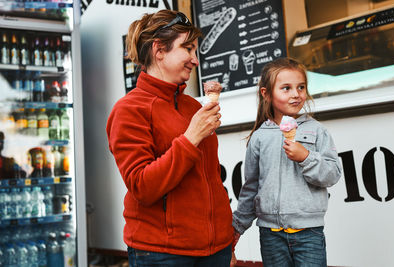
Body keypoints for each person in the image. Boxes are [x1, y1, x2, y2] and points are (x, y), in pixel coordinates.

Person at [106, 10, 235, 267]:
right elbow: (142, 186)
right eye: (187, 49)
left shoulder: (191, 107)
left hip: (215, 251)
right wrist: (191, 138)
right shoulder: (129, 110)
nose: (195, 60)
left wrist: (225, 240)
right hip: (162, 254)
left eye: (195, 51)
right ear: (159, 50)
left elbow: (210, 179)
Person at [232, 58, 342, 266]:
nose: (296, 94)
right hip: (271, 235)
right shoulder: (259, 137)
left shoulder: (316, 130)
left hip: (309, 233)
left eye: (301, 87)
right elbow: (251, 187)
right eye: (286, 88)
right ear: (266, 94)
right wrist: (237, 227)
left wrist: (307, 157)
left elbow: (333, 173)